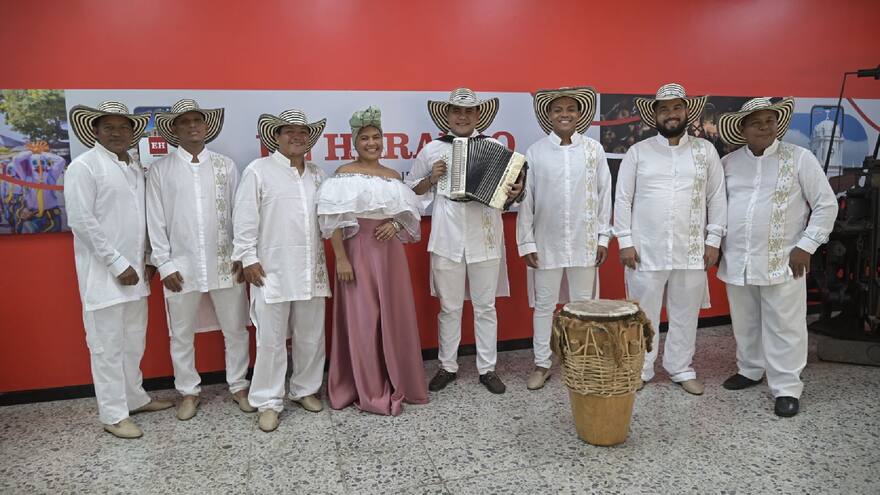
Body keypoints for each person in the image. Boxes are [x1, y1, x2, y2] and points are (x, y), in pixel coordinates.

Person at [716, 97, 838, 417]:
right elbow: (715, 208)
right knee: (745, 321)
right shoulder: (728, 164)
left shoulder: (800, 158)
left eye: (770, 120)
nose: (764, 127)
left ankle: (786, 387)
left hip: (784, 259)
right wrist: (716, 244)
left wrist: (807, 245)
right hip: (738, 259)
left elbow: (826, 204)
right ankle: (751, 369)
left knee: (786, 324)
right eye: (756, 122)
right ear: (742, 128)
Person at [65, 101, 172, 438]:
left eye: (123, 127)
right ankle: (113, 414)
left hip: (136, 273)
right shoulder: (84, 167)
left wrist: (147, 257)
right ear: (95, 131)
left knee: (132, 342)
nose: (117, 133)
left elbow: (140, 220)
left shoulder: (133, 168)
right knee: (106, 345)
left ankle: (134, 398)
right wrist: (116, 262)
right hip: (105, 276)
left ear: (132, 132)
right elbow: (82, 221)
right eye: (109, 127)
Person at [613, 83, 727, 395]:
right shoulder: (638, 153)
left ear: (687, 111)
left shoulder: (705, 152)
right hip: (645, 250)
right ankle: (642, 369)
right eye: (664, 109)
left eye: (677, 108)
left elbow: (717, 198)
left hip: (691, 249)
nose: (671, 114)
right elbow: (622, 199)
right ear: (655, 115)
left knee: (685, 314)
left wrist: (713, 239)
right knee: (643, 316)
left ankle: (680, 368)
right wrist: (624, 240)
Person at [407, 88, 523, 394]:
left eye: (469, 111)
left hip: (484, 234)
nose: (462, 116)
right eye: (457, 111)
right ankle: (447, 366)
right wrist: (432, 179)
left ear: (477, 115)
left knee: (485, 307)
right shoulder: (432, 150)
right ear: (447, 115)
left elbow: (507, 194)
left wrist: (514, 194)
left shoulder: (495, 146)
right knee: (449, 307)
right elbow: (412, 192)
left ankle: (488, 368)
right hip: (446, 236)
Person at [318, 106, 429, 415]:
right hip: (357, 251)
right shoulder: (344, 174)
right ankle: (365, 386)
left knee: (395, 317)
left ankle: (400, 379)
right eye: (364, 138)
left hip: (390, 254)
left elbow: (407, 215)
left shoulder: (394, 176)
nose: (371, 143)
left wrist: (394, 224)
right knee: (363, 320)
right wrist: (340, 258)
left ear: (384, 141)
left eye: (376, 137)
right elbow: (334, 220)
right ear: (355, 143)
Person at [147, 99, 253, 420]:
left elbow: (241, 215)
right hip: (182, 267)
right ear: (174, 128)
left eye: (198, 120)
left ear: (206, 125)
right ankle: (189, 392)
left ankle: (238, 384)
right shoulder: (160, 170)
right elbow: (156, 220)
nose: (193, 125)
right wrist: (164, 264)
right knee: (181, 334)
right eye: (185, 121)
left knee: (236, 329)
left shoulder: (226, 166)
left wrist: (241, 255)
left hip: (225, 263)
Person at [232, 109, 330, 432]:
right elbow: (245, 217)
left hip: (310, 268)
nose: (297, 136)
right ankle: (269, 401)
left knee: (311, 335)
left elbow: (328, 219)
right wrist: (247, 257)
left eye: (303, 132)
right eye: (289, 131)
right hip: (270, 270)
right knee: (271, 340)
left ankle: (305, 389)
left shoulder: (317, 173)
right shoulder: (258, 171)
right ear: (276, 135)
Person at [516, 87, 612, 390]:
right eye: (558, 110)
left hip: (585, 241)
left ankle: (581, 360)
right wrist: (527, 242)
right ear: (548, 116)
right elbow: (527, 199)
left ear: (580, 114)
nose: (565, 114)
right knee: (545, 306)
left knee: (583, 306)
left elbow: (604, 194)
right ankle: (542, 363)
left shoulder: (594, 150)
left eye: (571, 109)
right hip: (547, 241)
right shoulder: (536, 151)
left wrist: (603, 238)